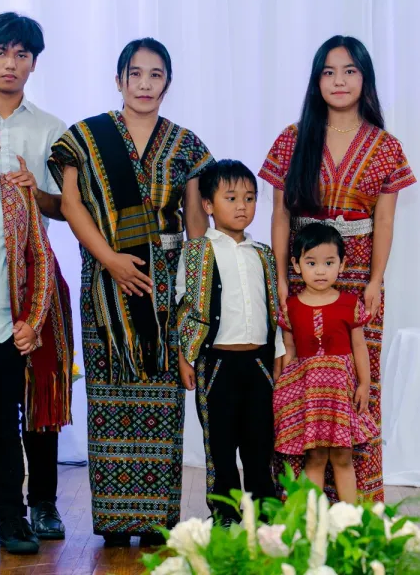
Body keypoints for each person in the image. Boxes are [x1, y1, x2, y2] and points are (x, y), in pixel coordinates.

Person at [48, 37, 214, 546]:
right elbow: (71, 206)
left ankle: (158, 517)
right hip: (105, 286)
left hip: (164, 289)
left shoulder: (185, 146)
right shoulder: (84, 138)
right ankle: (116, 522)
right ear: (118, 80)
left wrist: (196, 294)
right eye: (135, 74)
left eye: (155, 75)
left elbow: (195, 225)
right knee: (110, 396)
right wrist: (111, 260)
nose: (144, 84)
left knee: (163, 398)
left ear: (168, 82)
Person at [259, 35, 416, 502]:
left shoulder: (385, 146)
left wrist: (376, 281)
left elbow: (384, 220)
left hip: (358, 277)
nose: (339, 81)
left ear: (365, 78)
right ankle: (298, 510)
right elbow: (280, 214)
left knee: (356, 385)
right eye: (329, 72)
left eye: (349, 71)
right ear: (316, 80)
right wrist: (282, 278)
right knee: (300, 379)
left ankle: (355, 509)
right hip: (301, 276)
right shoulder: (293, 139)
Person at [0, 12, 72, 540]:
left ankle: (44, 503)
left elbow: (67, 207)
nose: (10, 63)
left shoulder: (50, 128)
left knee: (39, 394)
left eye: (22, 54)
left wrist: (36, 194)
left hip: (34, 278)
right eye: (0, 52)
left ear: (33, 62)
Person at [176, 160, 284, 524]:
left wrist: (279, 353)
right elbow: (185, 306)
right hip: (216, 363)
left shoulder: (263, 254)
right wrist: (186, 357)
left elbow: (274, 306)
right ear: (208, 204)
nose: (242, 206)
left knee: (260, 441)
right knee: (220, 444)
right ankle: (224, 513)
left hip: (259, 364)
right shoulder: (196, 252)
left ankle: (264, 512)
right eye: (232, 197)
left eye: (249, 198)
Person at [274, 223, 379, 503]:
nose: (320, 271)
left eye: (329, 263)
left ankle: (350, 521)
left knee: (343, 457)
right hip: (309, 396)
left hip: (340, 395)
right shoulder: (291, 307)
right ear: (296, 265)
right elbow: (289, 350)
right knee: (316, 456)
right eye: (311, 263)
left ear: (342, 265)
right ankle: (313, 521)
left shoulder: (349, 303)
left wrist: (365, 384)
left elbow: (359, 346)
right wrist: (284, 393)